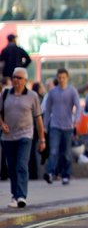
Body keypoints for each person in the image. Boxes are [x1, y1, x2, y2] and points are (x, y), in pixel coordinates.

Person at [0, 67, 45, 207]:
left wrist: (42, 139)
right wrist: (2, 124)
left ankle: (21, 196)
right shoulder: (5, 93)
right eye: (14, 77)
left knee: (21, 164)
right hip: (8, 136)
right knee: (12, 166)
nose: (15, 80)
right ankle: (15, 195)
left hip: (25, 135)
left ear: (25, 80)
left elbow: (38, 118)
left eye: (19, 78)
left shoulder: (32, 96)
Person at [42, 68, 80, 185]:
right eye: (59, 78)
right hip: (55, 125)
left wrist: (76, 121)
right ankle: (50, 173)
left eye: (63, 77)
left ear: (67, 78)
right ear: (57, 79)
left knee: (66, 153)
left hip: (68, 126)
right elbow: (47, 110)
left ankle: (65, 175)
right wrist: (45, 126)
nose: (61, 80)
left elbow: (78, 106)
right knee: (53, 151)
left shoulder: (72, 91)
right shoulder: (52, 93)